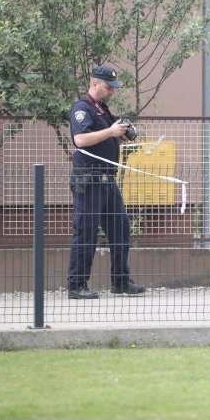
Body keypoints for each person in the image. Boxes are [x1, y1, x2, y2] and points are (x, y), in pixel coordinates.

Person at [67, 65, 146, 299]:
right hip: (89, 180)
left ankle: (121, 282)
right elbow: (80, 139)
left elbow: (106, 140)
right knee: (86, 233)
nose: (111, 91)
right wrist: (111, 132)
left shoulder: (102, 109)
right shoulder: (83, 109)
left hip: (107, 180)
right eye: (108, 87)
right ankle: (76, 285)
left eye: (113, 88)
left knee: (120, 230)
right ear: (94, 83)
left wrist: (121, 135)